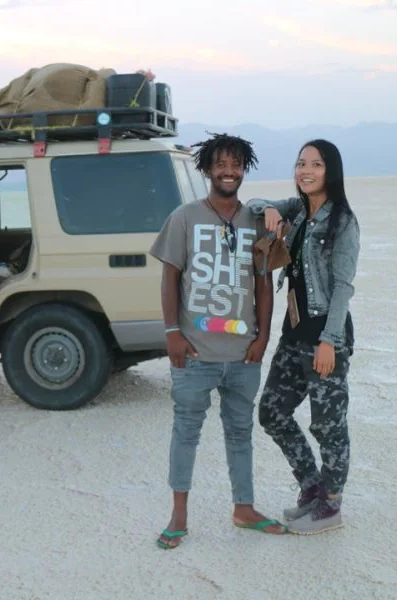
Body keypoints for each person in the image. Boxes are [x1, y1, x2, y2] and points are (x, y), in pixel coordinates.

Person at [149, 133, 288, 550]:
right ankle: (178, 516)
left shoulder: (256, 220)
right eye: (221, 165)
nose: (229, 172)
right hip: (194, 352)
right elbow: (170, 275)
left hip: (244, 353)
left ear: (244, 170)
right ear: (207, 169)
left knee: (240, 433)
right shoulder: (185, 217)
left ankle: (243, 508)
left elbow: (264, 283)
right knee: (186, 432)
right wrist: (172, 332)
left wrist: (264, 337)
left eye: (237, 165)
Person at [248, 139, 360, 535]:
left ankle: (331, 504)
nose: (305, 170)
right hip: (292, 336)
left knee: (329, 424)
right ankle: (312, 486)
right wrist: (271, 208)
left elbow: (344, 286)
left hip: (325, 338)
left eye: (315, 164)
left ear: (331, 171)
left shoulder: (342, 220)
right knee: (272, 414)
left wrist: (330, 342)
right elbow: (253, 205)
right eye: (300, 164)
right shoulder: (297, 210)